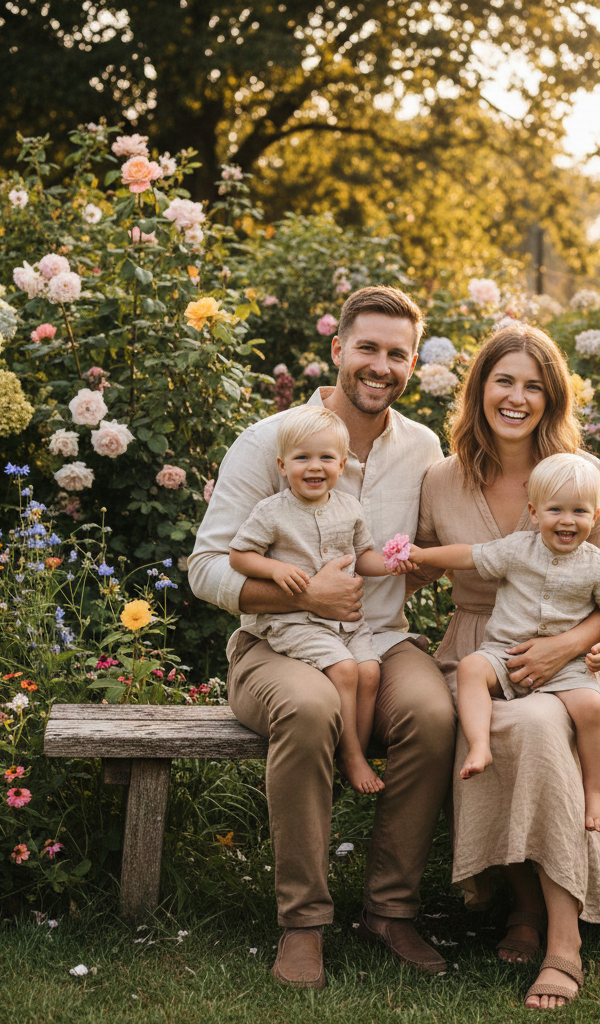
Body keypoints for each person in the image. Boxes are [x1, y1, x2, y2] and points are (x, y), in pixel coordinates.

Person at [189, 286, 455, 989]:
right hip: (277, 643)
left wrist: (415, 571)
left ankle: (390, 910)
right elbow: (206, 567)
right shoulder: (270, 440)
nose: (381, 366)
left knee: (433, 714)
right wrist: (304, 593)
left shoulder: (423, 447)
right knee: (311, 708)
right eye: (367, 348)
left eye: (397, 354)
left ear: (411, 364)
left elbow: (420, 552)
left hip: (379, 640)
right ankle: (303, 922)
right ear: (338, 349)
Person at [413, 323, 600, 1009]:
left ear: (553, 399)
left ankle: (563, 941)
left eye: (534, 386)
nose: (516, 398)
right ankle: (522, 902)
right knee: (488, 724)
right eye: (504, 381)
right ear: (479, 388)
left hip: (574, 661)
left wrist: (567, 646)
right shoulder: (442, 479)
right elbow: (420, 564)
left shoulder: (581, 476)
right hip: (479, 651)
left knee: (541, 727)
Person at [407, 453, 600, 833]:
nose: (567, 520)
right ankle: (480, 744)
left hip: (566, 664)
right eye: (556, 509)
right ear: (534, 512)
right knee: (471, 668)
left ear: (595, 516)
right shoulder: (516, 549)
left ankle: (594, 792)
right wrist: (421, 554)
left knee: (592, 707)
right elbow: (468, 555)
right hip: (504, 652)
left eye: (579, 511)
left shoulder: (597, 565)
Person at [228, 405, 416, 795]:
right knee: (345, 670)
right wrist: (274, 570)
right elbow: (239, 556)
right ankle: (352, 756)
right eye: (302, 458)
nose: (315, 467)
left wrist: (391, 564)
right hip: (296, 623)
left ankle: (354, 747)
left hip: (347, 623)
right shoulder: (272, 512)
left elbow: (362, 556)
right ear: (283, 466)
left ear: (342, 465)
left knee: (369, 671)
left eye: (326, 458)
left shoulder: (349, 508)